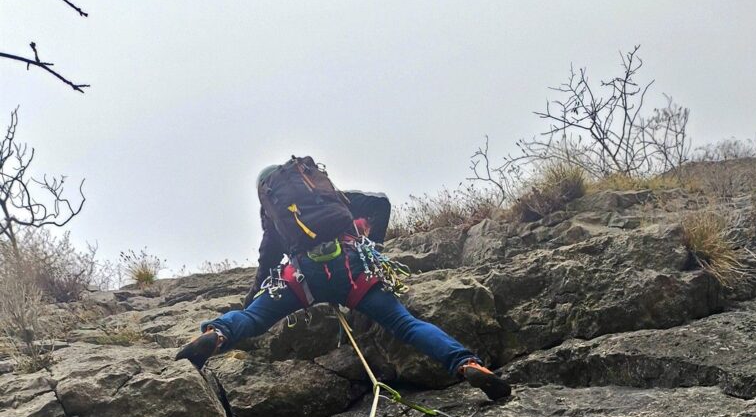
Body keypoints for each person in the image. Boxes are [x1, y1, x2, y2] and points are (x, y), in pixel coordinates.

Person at [176, 157, 510, 401]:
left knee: (251, 319)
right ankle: (465, 363)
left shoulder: (277, 219)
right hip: (353, 270)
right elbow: (381, 203)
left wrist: (250, 305)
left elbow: (266, 268)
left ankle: (217, 334)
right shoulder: (332, 198)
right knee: (405, 324)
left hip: (302, 277)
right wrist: (372, 247)